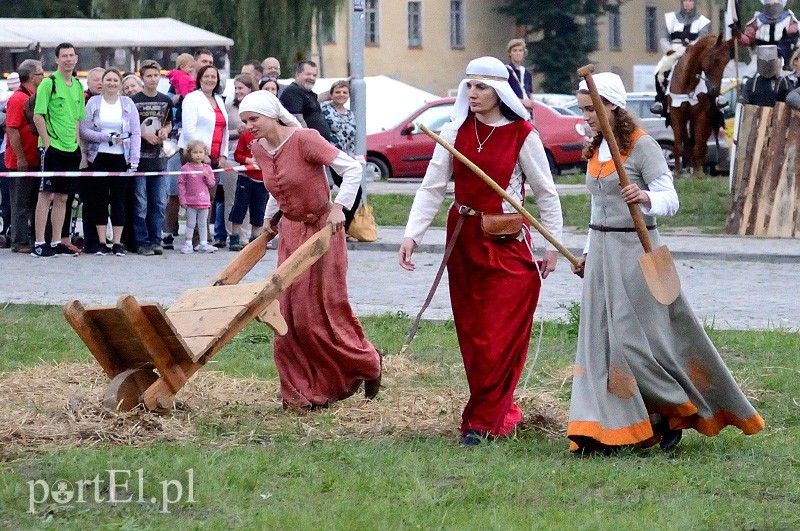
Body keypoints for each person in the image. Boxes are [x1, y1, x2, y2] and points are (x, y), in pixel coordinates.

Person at [567, 72, 765, 454]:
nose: (588, 117)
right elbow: (597, 209)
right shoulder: (596, 147)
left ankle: (676, 408)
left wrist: (644, 197)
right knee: (600, 343)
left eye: (593, 110)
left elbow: (670, 199)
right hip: (604, 253)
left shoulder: (642, 147)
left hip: (637, 253)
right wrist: (588, 253)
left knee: (635, 341)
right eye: (584, 110)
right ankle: (607, 428)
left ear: (613, 107)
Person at [398, 56, 563, 447]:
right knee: (474, 337)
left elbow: (546, 194)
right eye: (469, 86)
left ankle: (483, 421)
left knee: (498, 335)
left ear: (500, 91)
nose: (473, 94)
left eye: (482, 87)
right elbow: (432, 188)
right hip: (463, 239)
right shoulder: (454, 132)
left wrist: (553, 245)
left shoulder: (523, 134)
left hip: (506, 241)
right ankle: (495, 410)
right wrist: (411, 235)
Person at [238, 90, 382, 409]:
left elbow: (352, 169)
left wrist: (340, 208)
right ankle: (301, 394)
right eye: (245, 121)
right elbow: (277, 186)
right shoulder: (260, 149)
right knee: (285, 314)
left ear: (272, 114)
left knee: (320, 311)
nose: (250, 126)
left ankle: (367, 363)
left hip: (322, 233)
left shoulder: (305, 139)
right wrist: (269, 220)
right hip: (291, 233)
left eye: (254, 119)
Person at [31, 42, 85, 258]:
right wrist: (47, 144)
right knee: (46, 195)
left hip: (71, 148)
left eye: (72, 55)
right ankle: (39, 242)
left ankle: (56, 241)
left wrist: (78, 145)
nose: (68, 59)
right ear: (56, 59)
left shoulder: (78, 86)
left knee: (63, 197)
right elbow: (38, 115)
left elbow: (77, 119)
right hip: (52, 147)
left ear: (76, 58)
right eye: (64, 56)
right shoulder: (49, 83)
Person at [80, 68, 141, 256]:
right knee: (99, 199)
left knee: (118, 200)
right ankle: (100, 241)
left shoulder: (128, 103)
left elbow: (136, 132)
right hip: (98, 156)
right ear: (103, 83)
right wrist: (104, 137)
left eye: (115, 80)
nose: (112, 83)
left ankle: (117, 241)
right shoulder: (93, 102)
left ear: (120, 83)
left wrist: (134, 159)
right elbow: (84, 130)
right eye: (108, 80)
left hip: (121, 157)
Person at [177, 65, 229, 247]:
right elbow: (189, 129)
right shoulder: (192, 99)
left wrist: (222, 154)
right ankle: (194, 239)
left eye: (213, 77)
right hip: (195, 155)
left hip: (215, 156)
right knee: (195, 198)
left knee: (208, 198)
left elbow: (224, 129)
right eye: (206, 76)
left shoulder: (219, 100)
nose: (210, 80)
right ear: (199, 78)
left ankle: (204, 238)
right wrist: (201, 155)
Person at [131, 60, 173, 256]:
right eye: (149, 76)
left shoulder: (165, 100)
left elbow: (169, 122)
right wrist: (141, 134)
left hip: (159, 158)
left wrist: (165, 130)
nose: (153, 79)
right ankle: (141, 240)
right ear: (142, 78)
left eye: (156, 75)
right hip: (139, 159)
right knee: (140, 203)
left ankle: (156, 239)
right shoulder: (134, 101)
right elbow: (129, 127)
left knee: (158, 202)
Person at [4, 60, 44, 254]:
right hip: (22, 161)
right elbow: (12, 130)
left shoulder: (35, 97)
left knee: (35, 201)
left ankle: (34, 237)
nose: (43, 77)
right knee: (21, 203)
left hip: (35, 158)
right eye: (40, 74)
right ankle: (19, 240)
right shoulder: (18, 99)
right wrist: (21, 158)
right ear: (30, 77)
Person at [652, 0, 711, 117]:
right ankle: (660, 101)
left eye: (690, 1)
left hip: (695, 52)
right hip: (675, 49)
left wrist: (693, 48)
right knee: (660, 71)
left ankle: (715, 100)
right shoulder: (670, 19)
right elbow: (664, 38)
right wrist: (668, 49)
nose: (687, 3)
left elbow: (702, 37)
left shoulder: (702, 21)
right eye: (685, 1)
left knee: (710, 70)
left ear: (694, 3)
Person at [223, 73, 260, 250]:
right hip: (233, 156)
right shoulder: (229, 106)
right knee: (235, 200)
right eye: (235, 88)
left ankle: (250, 237)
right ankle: (234, 235)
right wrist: (238, 132)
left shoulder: (258, 108)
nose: (237, 91)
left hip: (255, 163)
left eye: (241, 88)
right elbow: (223, 132)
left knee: (255, 203)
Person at [320, 79, 362, 233]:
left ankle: (341, 228)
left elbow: (351, 140)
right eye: (337, 92)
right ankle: (329, 229)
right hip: (328, 157)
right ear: (331, 94)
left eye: (345, 92)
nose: (341, 95)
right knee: (326, 192)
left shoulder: (350, 114)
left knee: (355, 192)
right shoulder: (324, 109)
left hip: (344, 159)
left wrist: (352, 159)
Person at [177, 140, 216, 254]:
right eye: (195, 152)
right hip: (190, 202)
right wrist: (182, 199)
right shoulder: (186, 168)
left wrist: (207, 177)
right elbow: (181, 184)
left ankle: (203, 243)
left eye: (200, 152)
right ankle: (188, 243)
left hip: (204, 201)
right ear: (189, 154)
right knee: (190, 223)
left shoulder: (207, 168)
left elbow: (212, 184)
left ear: (205, 153)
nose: (198, 154)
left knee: (203, 223)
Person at [738, 0, 799, 70]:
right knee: (751, 76)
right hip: (760, 58)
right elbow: (748, 40)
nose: (772, 4)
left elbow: (793, 40)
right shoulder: (758, 19)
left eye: (775, 2)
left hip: (783, 59)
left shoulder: (789, 19)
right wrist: (739, 36)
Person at [279, 60, 330, 140]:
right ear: (298, 74)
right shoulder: (293, 92)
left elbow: (321, 97)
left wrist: (343, 84)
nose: (311, 78)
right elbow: (297, 120)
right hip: (308, 144)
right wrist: (309, 140)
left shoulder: (308, 93)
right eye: (308, 74)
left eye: (314, 75)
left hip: (318, 144)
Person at [505, 38, 534, 112]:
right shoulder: (505, 71)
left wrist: (531, 102)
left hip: (526, 112)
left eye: (520, 50)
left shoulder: (527, 73)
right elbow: (504, 94)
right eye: (515, 50)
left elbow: (529, 92)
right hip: (511, 111)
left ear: (524, 53)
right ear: (510, 53)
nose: (518, 53)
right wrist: (522, 102)